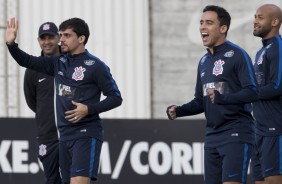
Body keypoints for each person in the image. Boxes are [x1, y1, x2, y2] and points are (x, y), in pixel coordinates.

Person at [6, 17, 123, 184]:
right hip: (63, 136)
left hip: (85, 133)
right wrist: (11, 45)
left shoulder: (96, 66)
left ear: (81, 38)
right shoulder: (58, 63)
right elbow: (27, 61)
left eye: (67, 35)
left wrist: (88, 109)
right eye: (60, 35)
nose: (61, 39)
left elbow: (115, 98)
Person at [166, 5, 257, 184]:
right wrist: (179, 110)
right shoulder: (204, 61)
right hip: (212, 136)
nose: (202, 27)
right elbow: (201, 101)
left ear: (223, 28)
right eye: (201, 23)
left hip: (236, 131)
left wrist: (224, 98)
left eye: (209, 23)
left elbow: (252, 91)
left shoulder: (238, 55)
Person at [23, 22, 61, 184]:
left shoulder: (70, 63)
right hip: (48, 136)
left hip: (71, 133)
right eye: (43, 38)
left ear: (58, 38)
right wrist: (47, 114)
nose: (47, 42)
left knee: (74, 178)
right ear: (38, 40)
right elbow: (33, 102)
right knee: (52, 180)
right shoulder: (32, 69)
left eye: (50, 37)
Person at [251, 4, 282, 184]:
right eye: (255, 16)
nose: (255, 21)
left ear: (275, 22)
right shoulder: (261, 51)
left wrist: (246, 94)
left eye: (260, 17)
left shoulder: (278, 47)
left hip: (274, 129)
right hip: (259, 129)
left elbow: (277, 86)